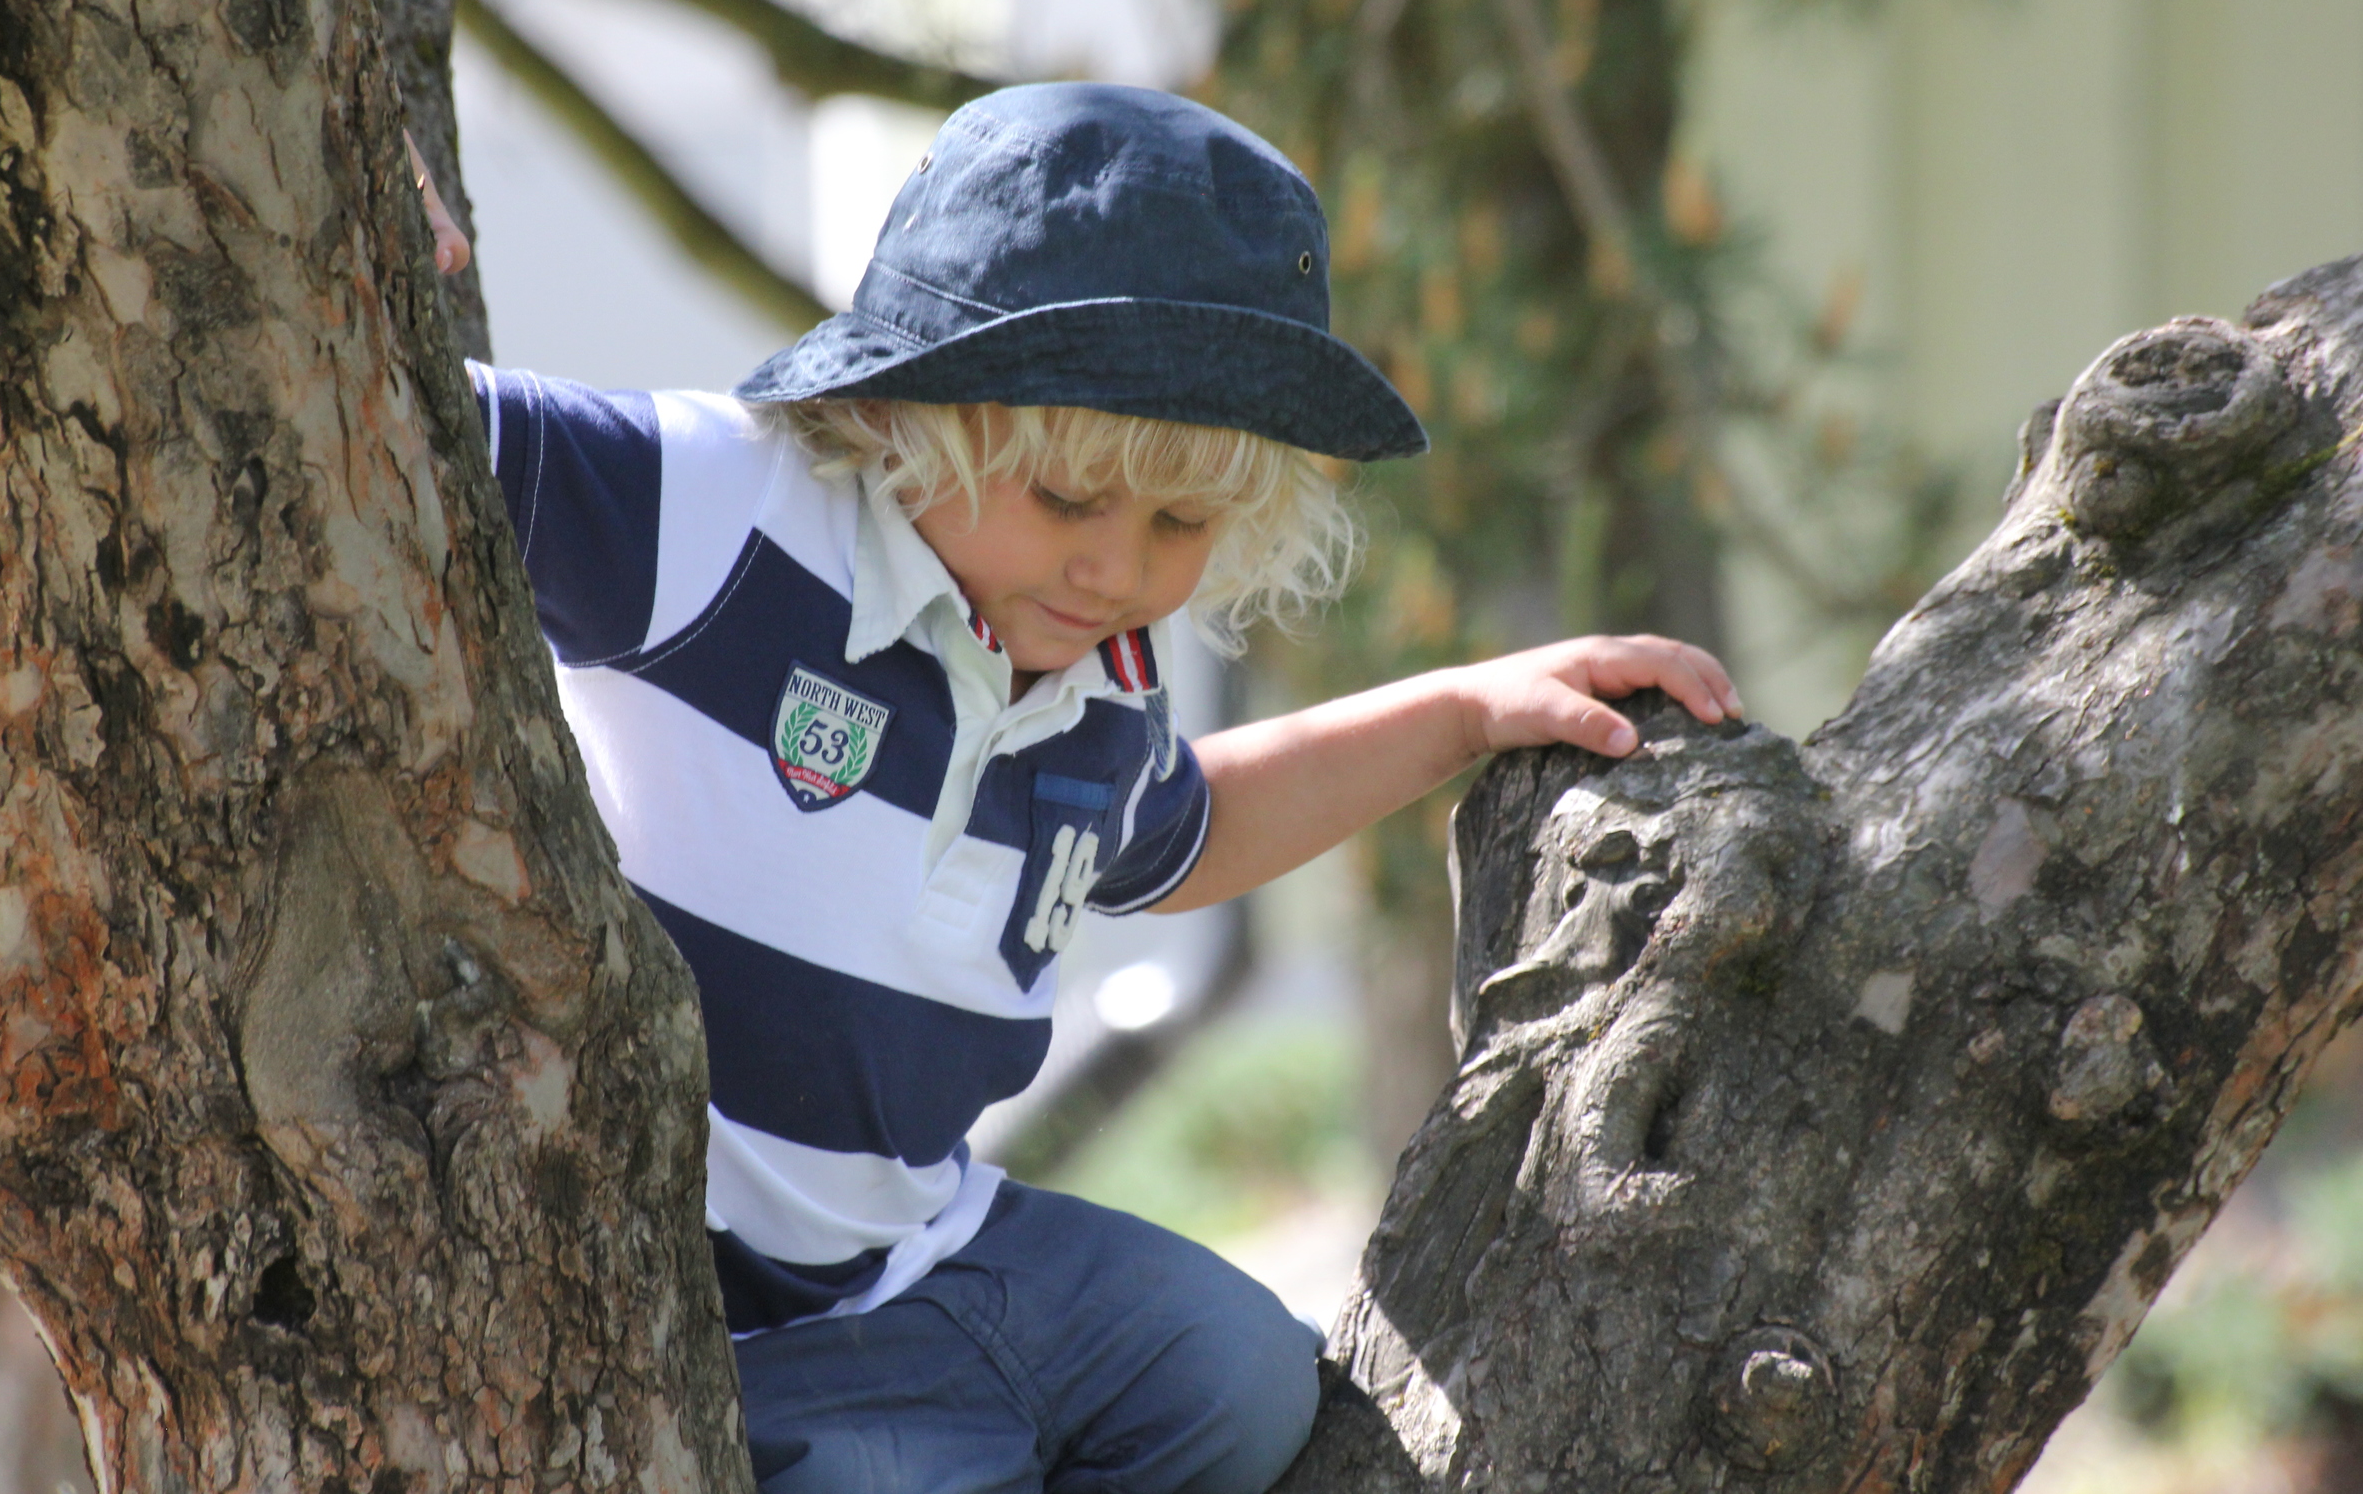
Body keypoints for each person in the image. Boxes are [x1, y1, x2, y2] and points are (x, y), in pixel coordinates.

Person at [446, 83, 1739, 1493]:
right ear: (908, 414)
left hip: (926, 1244)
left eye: (1181, 524)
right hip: (724, 1318)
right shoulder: (713, 511)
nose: (1117, 570)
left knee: (1241, 1377)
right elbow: (392, 416)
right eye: (1066, 500)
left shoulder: (1097, 678)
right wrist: (384, 197)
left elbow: (1185, 833)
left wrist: (1454, 714)